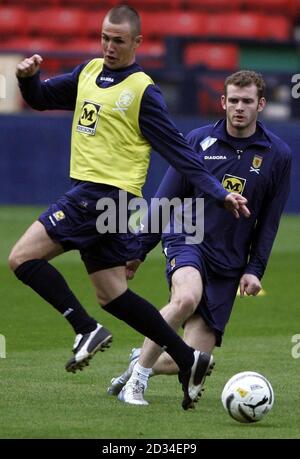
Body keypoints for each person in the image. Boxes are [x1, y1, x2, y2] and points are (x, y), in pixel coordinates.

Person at [8, 5, 249, 410]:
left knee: (20, 258)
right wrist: (27, 79)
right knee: (113, 295)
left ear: (137, 43)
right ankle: (189, 359)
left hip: (102, 196)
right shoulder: (88, 73)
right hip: (107, 204)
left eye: (118, 40)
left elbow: (180, 152)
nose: (109, 46)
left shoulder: (142, 90)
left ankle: (84, 329)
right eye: (104, 37)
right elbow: (42, 98)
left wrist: (217, 191)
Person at [107, 70, 292, 408]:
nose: (239, 107)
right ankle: (136, 383)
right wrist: (139, 250)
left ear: (261, 104)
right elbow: (166, 198)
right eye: (233, 100)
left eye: (247, 101)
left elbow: (269, 221)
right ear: (222, 102)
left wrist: (255, 269)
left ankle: (140, 358)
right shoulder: (196, 141)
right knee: (186, 298)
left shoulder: (277, 155)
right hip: (187, 237)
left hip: (230, 260)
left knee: (195, 359)